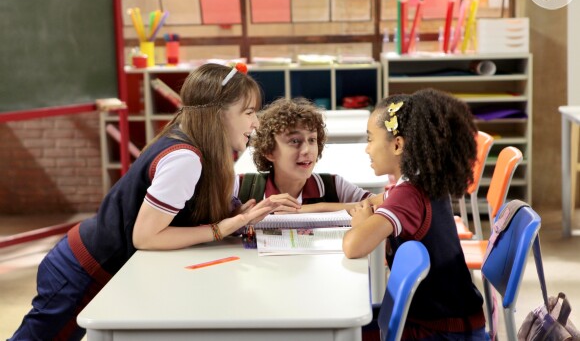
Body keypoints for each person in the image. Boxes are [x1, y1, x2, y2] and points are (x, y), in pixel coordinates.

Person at [10, 63, 298, 341]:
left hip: (90, 266)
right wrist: (221, 228)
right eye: (248, 112)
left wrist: (236, 214)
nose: (256, 122)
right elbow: (145, 236)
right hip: (79, 272)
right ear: (218, 114)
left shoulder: (195, 144)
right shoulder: (185, 158)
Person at [343, 88, 486, 340]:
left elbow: (354, 246)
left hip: (444, 330)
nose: (367, 150)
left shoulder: (407, 195)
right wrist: (303, 210)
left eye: (370, 140)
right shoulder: (420, 183)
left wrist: (360, 225)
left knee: (343, 330)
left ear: (397, 145)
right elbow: (366, 202)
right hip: (452, 320)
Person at [236, 97, 381, 212]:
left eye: (312, 140)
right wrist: (238, 215)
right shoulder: (242, 187)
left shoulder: (334, 186)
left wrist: (314, 208)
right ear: (269, 151)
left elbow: (386, 204)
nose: (307, 150)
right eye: (294, 141)